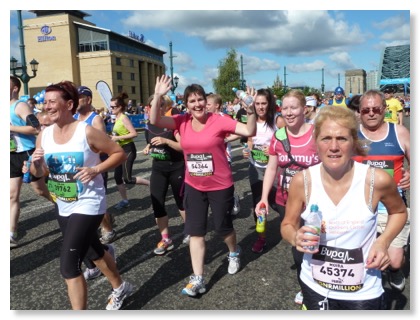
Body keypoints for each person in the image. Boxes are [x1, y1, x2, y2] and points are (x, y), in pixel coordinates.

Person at [280, 105, 407, 310]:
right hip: (315, 285)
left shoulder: (376, 180)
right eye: (326, 138)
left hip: (363, 290)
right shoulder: (302, 181)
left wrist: (383, 241)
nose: (333, 147)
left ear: (354, 142)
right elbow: (287, 224)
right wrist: (295, 237)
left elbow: (399, 212)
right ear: (316, 143)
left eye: (342, 138)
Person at [149, 75, 257, 297]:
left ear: (205, 101)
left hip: (220, 184)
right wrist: (158, 95)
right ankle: (198, 278)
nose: (197, 104)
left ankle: (234, 251)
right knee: (195, 232)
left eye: (200, 100)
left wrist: (251, 110)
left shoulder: (219, 120)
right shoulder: (182, 121)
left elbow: (249, 131)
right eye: (192, 101)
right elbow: (155, 121)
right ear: (186, 104)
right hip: (194, 185)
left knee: (222, 227)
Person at [30, 80, 133, 310]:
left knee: (68, 266)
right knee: (93, 251)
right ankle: (120, 287)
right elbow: (42, 172)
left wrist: (96, 169)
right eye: (44, 102)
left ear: (69, 104)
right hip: (63, 203)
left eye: (52, 102)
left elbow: (119, 154)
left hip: (89, 203)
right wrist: (35, 165)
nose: (46, 106)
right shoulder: (44, 136)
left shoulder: (86, 132)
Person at [254, 89, 320, 305]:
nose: (289, 112)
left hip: (314, 203)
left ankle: (319, 284)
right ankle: (306, 286)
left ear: (305, 109)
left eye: (294, 108)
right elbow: (271, 169)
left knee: (316, 243)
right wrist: (264, 198)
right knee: (298, 246)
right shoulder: (279, 136)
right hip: (285, 200)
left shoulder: (317, 134)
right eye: (285, 108)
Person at [353, 90, 410, 292]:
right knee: (359, 258)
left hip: (391, 207)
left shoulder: (399, 132)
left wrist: (410, 174)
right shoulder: (351, 134)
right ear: (359, 112)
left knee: (394, 261)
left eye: (376, 109)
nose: (371, 113)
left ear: (384, 110)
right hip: (359, 206)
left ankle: (396, 270)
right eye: (366, 109)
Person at [142, 94, 188, 254]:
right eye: (154, 104)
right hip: (158, 169)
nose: (158, 107)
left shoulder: (172, 123)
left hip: (176, 167)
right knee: (158, 204)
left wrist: (166, 142)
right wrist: (149, 148)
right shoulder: (149, 125)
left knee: (181, 202)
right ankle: (165, 239)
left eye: (161, 104)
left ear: (165, 106)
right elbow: (151, 142)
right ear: (148, 107)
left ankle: (190, 230)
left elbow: (183, 146)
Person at [10, 75, 53, 248]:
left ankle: (64, 204)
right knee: (11, 195)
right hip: (10, 154)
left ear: (14, 88)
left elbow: (35, 127)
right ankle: (11, 234)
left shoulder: (19, 105)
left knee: (40, 190)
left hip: (27, 153)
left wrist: (10, 127)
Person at [241, 88, 285, 253]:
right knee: (258, 204)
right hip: (255, 169)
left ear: (269, 104)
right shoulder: (251, 120)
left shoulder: (277, 121)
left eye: (263, 103)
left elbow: (289, 143)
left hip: (274, 170)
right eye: (257, 103)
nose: (260, 107)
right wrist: (247, 150)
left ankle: (291, 226)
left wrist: (274, 148)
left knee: (279, 204)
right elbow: (250, 140)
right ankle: (262, 238)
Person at [75, 85, 117, 245]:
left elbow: (103, 146)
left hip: (95, 168)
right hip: (78, 167)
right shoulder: (73, 118)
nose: (76, 100)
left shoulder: (95, 119)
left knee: (97, 202)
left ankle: (108, 230)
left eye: (79, 97)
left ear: (88, 99)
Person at [110, 92, 150, 209]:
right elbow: (118, 134)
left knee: (127, 178)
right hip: (119, 150)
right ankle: (125, 200)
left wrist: (117, 137)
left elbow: (134, 133)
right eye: (110, 106)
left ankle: (151, 184)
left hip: (128, 150)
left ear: (120, 107)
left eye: (113, 107)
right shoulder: (116, 118)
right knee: (118, 177)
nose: (111, 109)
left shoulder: (123, 118)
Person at [206, 93, 241, 215]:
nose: (205, 106)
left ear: (217, 105)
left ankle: (232, 199)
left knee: (224, 183)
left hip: (224, 156)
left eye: (208, 104)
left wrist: (225, 140)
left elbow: (240, 132)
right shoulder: (204, 118)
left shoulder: (224, 117)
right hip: (208, 157)